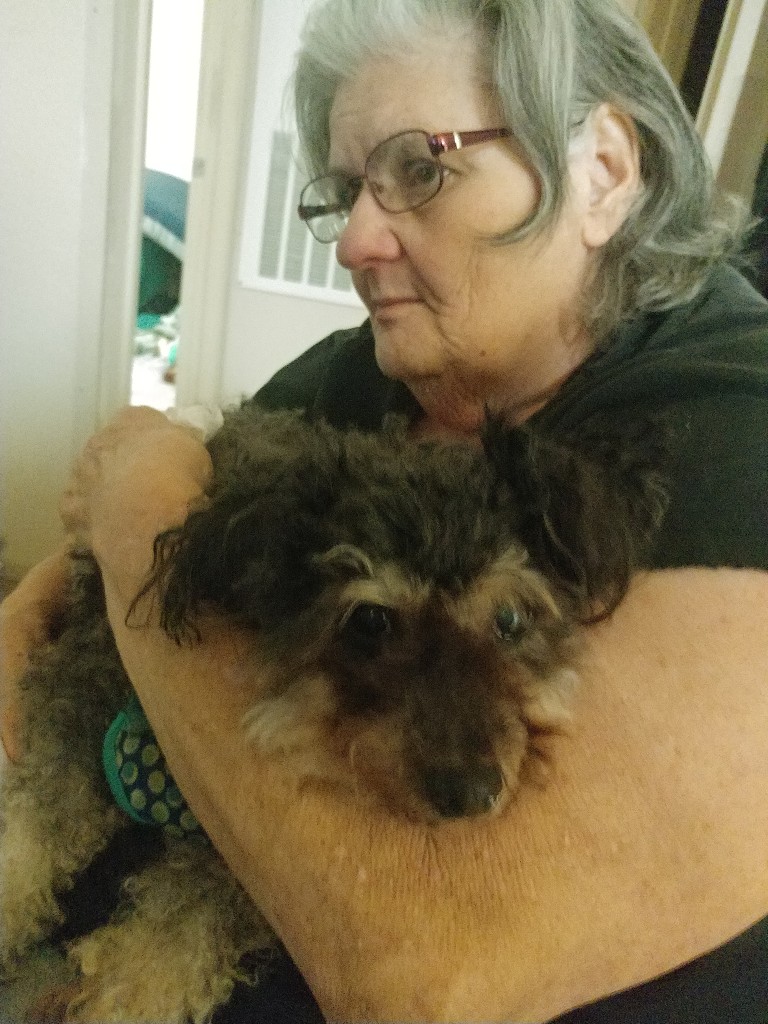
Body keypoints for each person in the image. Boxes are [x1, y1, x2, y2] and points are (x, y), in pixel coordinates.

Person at [2, 0, 768, 1019]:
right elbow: (157, 496)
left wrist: (143, 508)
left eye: (420, 167)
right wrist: (28, 608)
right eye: (348, 190)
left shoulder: (736, 422)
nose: (356, 241)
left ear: (603, 170)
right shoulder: (389, 367)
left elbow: (430, 975)